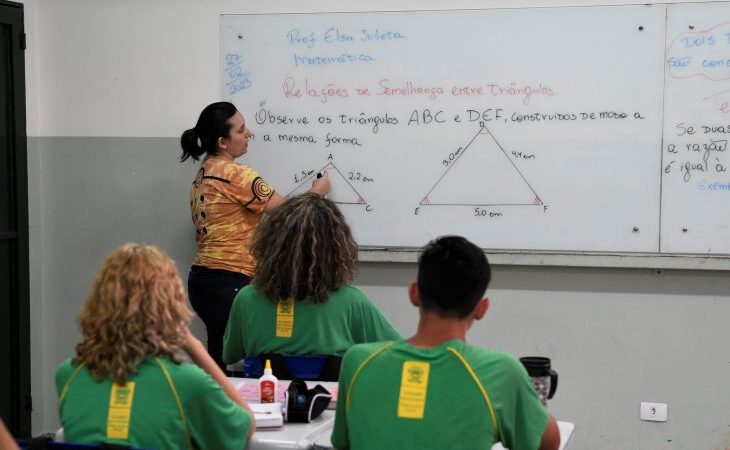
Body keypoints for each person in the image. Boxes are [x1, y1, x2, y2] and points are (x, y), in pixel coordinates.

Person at [331, 236, 560, 450]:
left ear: (414, 293)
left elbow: (343, 441)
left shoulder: (357, 361)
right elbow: (549, 443)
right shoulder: (502, 373)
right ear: (481, 309)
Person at [55, 243, 255, 450]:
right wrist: (194, 347)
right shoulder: (188, 383)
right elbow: (245, 426)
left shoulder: (68, 375)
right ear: (170, 304)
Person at [180, 101, 330, 371]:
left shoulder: (203, 173)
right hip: (231, 280)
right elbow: (289, 214)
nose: (249, 133)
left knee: (220, 357)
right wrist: (318, 191)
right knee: (257, 354)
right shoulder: (237, 175)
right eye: (241, 130)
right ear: (223, 142)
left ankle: (219, 408)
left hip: (203, 280)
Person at [222, 193, 401, 378]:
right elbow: (400, 354)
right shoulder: (352, 303)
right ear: (336, 248)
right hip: (330, 405)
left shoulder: (247, 300)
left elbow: (230, 355)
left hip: (267, 402)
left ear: (271, 243)